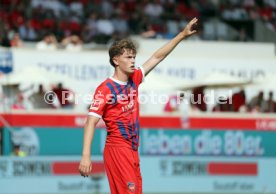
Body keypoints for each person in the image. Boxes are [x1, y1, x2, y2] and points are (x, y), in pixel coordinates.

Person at [78, 17, 198, 194]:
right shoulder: (105, 89)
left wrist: (181, 35)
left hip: (133, 149)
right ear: (116, 60)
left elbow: (157, 56)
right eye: (128, 57)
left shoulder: (134, 78)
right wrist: (86, 156)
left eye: (134, 57)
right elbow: (90, 122)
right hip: (118, 149)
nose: (133, 60)